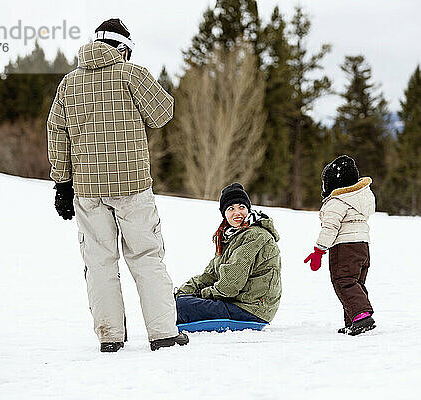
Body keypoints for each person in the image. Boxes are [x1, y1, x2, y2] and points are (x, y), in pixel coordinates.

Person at [47, 18, 188, 352]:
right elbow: (162, 114)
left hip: (88, 190)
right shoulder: (130, 73)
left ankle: (110, 336)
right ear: (123, 47)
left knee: (98, 263)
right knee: (146, 256)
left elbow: (56, 132)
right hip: (133, 186)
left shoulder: (69, 83)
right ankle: (163, 333)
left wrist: (62, 184)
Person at [175, 183, 281, 326]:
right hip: (237, 302)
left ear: (248, 210)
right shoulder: (231, 237)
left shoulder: (255, 236)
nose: (237, 213)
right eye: (231, 208)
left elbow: (229, 286)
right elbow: (210, 275)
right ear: (224, 214)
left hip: (251, 308)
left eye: (241, 207)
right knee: (177, 302)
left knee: (181, 307)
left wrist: (201, 294)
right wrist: (182, 292)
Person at [304, 155, 376, 336]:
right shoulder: (362, 197)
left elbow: (330, 228)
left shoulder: (336, 202)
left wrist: (319, 251)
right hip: (363, 246)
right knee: (356, 282)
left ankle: (361, 316)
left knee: (343, 281)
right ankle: (354, 320)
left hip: (344, 247)